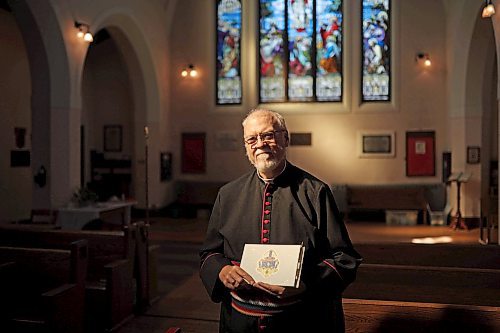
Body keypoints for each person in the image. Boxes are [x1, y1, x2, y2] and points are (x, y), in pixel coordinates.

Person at [200, 109, 361, 332]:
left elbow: (345, 259)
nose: (260, 144)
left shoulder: (316, 192)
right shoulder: (228, 195)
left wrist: (306, 284)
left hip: (302, 321)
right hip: (240, 322)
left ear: (285, 138)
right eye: (252, 139)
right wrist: (221, 270)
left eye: (268, 135)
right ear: (246, 147)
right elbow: (210, 253)